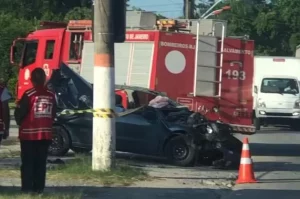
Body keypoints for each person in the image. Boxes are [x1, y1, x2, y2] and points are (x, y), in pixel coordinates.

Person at [14, 68, 56, 194]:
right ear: (44, 79)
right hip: (45, 135)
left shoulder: (29, 94)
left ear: (32, 80)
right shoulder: (51, 95)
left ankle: (27, 189)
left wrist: (20, 122)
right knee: (40, 163)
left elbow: (20, 113)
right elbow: (53, 113)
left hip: (29, 135)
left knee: (28, 163)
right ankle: (39, 189)